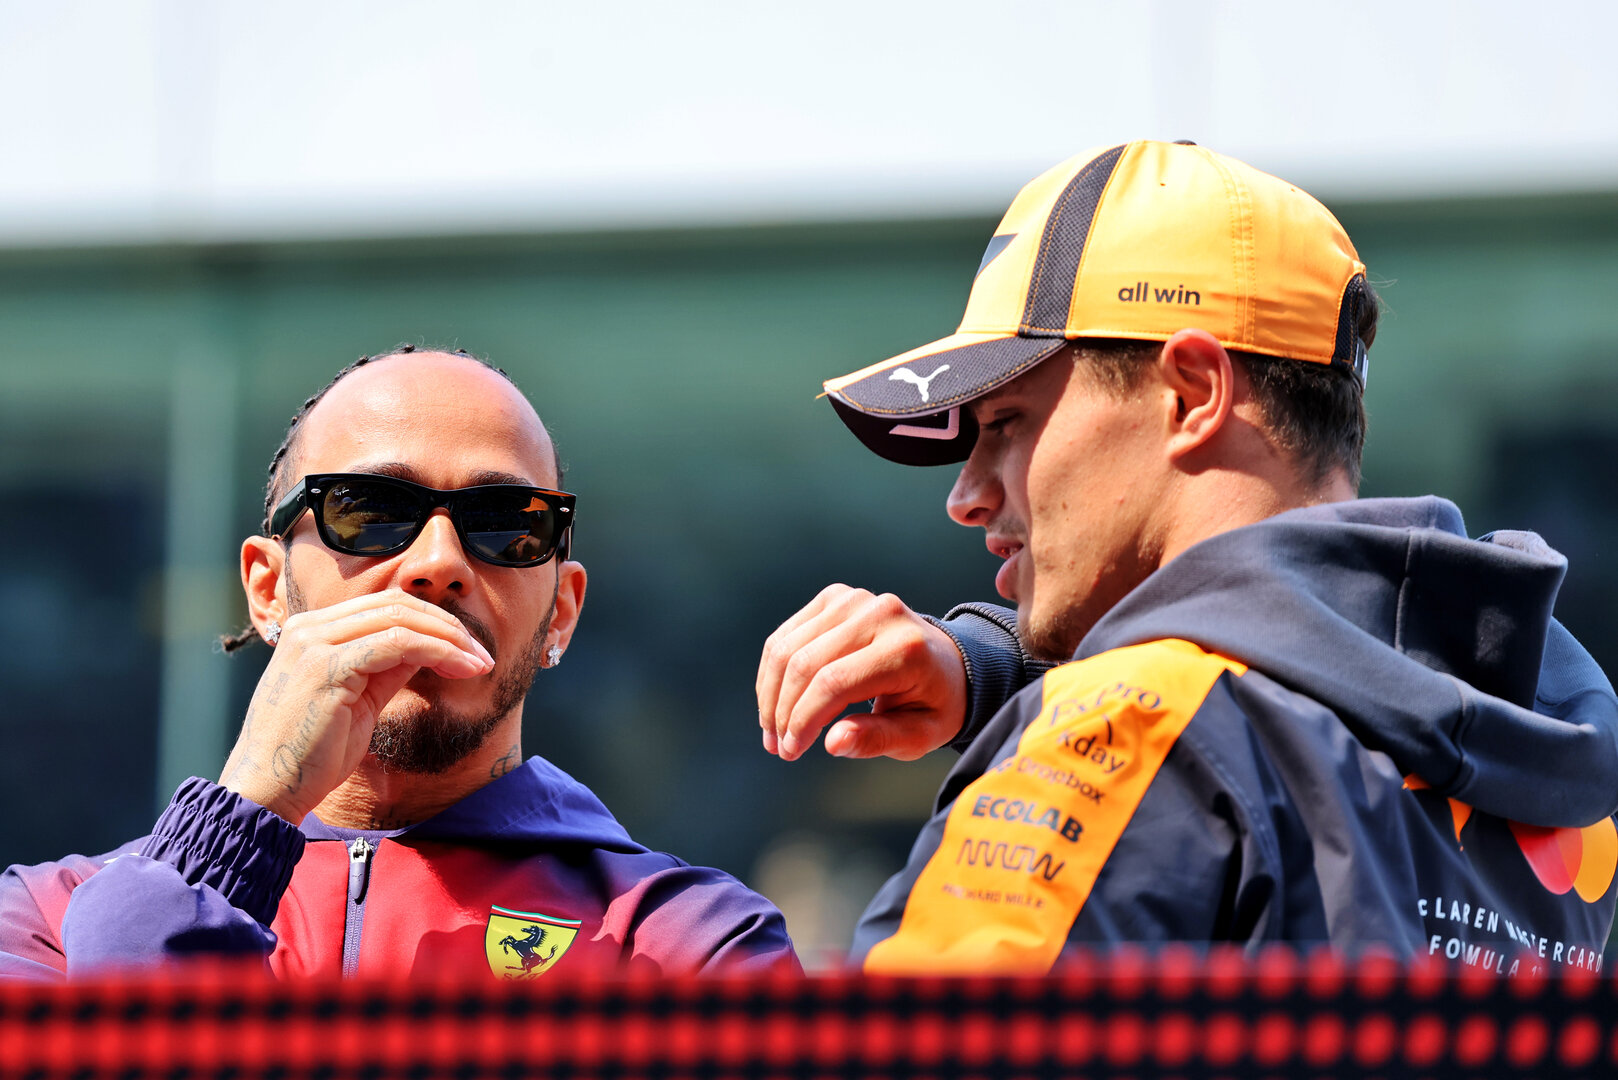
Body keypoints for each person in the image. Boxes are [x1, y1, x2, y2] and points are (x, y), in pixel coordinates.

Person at [757, 141, 1618, 974]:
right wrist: (1007, 678)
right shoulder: (1553, 774)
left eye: (1007, 424)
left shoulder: (1128, 734)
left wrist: (654, 907)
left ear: (1193, 395)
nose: (967, 494)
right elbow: (1306, 709)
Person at [1, 346, 798, 980]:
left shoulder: (688, 942)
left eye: (505, 523)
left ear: (560, 611)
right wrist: (237, 824)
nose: (439, 561)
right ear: (268, 588)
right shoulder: (45, 920)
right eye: (370, 510)